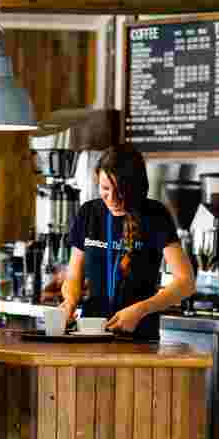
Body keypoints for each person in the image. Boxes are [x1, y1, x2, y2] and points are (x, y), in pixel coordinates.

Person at [60, 144, 196, 340]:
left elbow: (186, 283)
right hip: (90, 334)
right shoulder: (89, 213)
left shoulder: (155, 215)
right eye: (105, 188)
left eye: (120, 190)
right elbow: (74, 275)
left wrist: (140, 310)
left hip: (139, 336)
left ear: (136, 188)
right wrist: (70, 302)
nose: (112, 198)